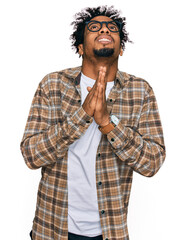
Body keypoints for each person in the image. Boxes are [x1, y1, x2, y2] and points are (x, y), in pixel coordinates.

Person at [20, 5, 166, 240]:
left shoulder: (140, 90)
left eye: (112, 28)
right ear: (80, 47)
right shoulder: (52, 84)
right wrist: (83, 114)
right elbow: (31, 155)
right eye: (94, 27)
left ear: (121, 48)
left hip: (110, 231)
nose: (104, 30)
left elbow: (152, 163)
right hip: (52, 229)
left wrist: (108, 123)